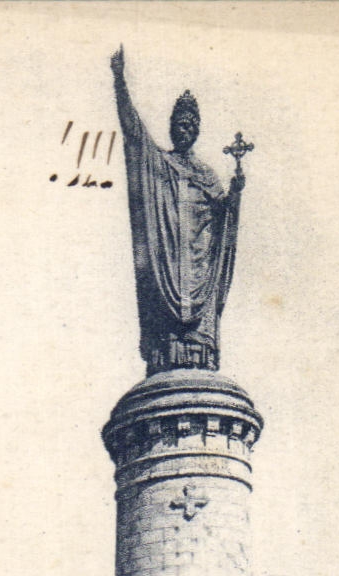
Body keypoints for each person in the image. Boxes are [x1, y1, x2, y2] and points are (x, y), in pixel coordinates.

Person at [112, 47, 244, 373]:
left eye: (189, 126)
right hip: (166, 267)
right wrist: (119, 83)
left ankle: (200, 350)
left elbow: (224, 223)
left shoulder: (207, 177)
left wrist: (235, 195)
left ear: (196, 131)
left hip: (200, 272)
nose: (182, 130)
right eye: (178, 125)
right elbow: (134, 134)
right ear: (171, 128)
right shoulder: (160, 166)